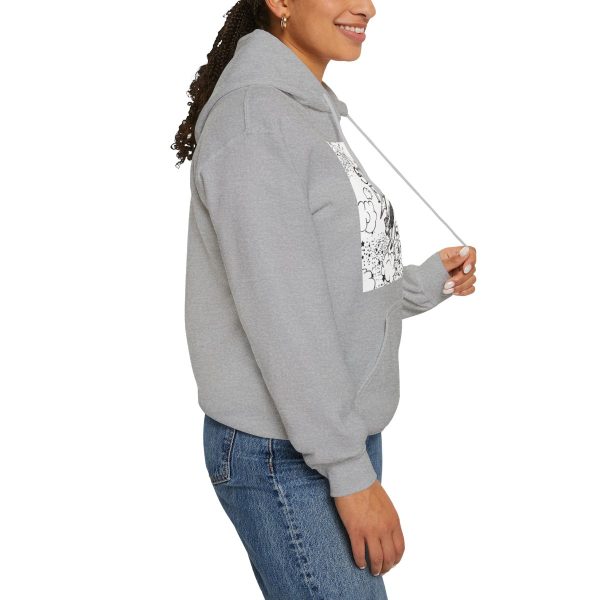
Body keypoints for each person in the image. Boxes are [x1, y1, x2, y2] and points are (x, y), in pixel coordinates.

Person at [172, 1, 477, 597]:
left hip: (327, 431)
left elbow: (323, 280)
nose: (366, 7)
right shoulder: (255, 122)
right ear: (280, 2)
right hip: (283, 449)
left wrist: (424, 283)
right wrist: (348, 472)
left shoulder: (303, 109)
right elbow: (283, 317)